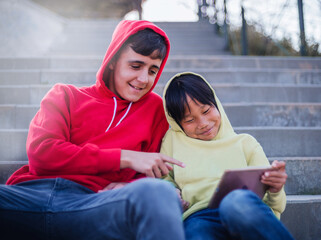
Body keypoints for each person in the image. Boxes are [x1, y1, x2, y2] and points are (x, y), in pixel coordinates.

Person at [0, 20, 186, 240]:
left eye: (153, 70)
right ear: (112, 61)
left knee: (159, 193)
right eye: (135, 66)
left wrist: (131, 185)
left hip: (95, 206)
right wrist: (124, 158)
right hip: (28, 198)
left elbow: (153, 175)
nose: (144, 79)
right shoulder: (64, 95)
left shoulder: (155, 111)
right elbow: (44, 154)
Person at [161, 72, 295, 240]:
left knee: (235, 202)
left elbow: (273, 205)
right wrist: (171, 192)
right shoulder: (172, 142)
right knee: (196, 232)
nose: (202, 123)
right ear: (178, 124)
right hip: (200, 216)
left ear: (216, 103)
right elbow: (164, 177)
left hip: (242, 208)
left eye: (206, 110)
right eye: (189, 120)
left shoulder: (246, 143)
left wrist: (275, 190)